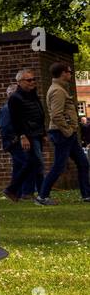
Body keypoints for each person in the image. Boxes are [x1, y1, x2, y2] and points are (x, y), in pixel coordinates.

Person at [36, 63, 90, 205]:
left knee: (83, 163)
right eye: (69, 72)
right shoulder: (57, 91)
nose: (71, 74)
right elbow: (56, 115)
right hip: (61, 133)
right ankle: (42, 197)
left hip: (66, 134)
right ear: (63, 73)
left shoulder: (60, 88)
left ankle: (86, 195)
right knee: (59, 166)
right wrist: (68, 131)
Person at [3, 68, 47, 202]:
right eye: (29, 80)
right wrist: (22, 136)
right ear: (20, 82)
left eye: (34, 79)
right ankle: (42, 195)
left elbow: (40, 114)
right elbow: (16, 120)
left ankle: (13, 190)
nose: (32, 82)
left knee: (32, 163)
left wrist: (43, 133)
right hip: (29, 135)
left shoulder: (33, 95)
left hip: (37, 133)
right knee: (36, 163)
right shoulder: (15, 98)